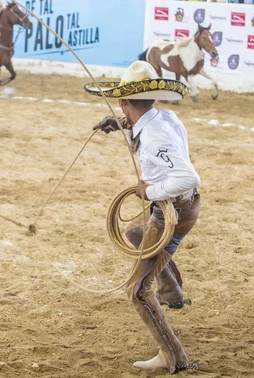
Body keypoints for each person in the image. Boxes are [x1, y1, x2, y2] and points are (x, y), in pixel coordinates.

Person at [88, 61, 200, 374]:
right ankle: (171, 292)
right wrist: (119, 123)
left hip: (171, 214)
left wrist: (149, 191)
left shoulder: (153, 138)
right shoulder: (165, 117)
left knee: (137, 291)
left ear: (125, 101)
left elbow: (188, 177)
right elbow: (144, 125)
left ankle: (173, 356)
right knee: (135, 233)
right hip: (186, 208)